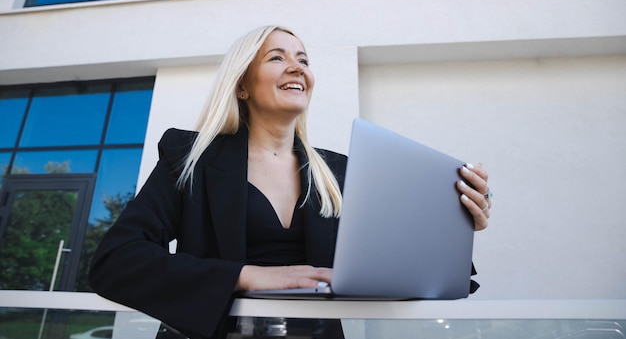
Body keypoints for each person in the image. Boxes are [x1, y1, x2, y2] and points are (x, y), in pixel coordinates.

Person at [89, 25, 492, 339]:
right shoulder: (191, 159)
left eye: (303, 58)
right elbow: (115, 262)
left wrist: (457, 219)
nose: (297, 67)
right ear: (242, 85)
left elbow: (404, 266)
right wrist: (244, 276)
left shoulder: (342, 174)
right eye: (277, 58)